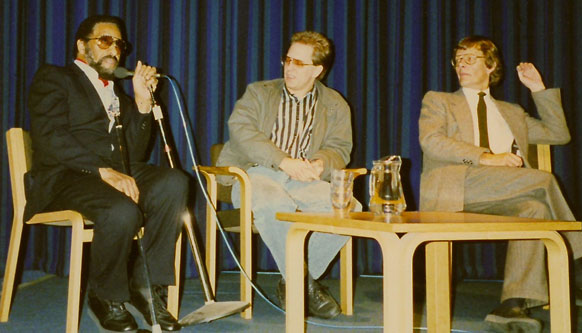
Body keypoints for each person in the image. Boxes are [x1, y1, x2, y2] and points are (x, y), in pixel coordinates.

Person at [419, 35, 582, 333]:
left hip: (504, 191)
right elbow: (432, 142)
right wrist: (485, 156)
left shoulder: (512, 112)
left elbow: (559, 134)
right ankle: (579, 268)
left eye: (470, 59)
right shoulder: (440, 100)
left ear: (490, 66)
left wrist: (538, 90)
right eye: (458, 59)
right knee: (543, 181)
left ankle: (512, 303)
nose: (461, 65)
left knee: (535, 209)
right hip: (457, 186)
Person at [26, 15, 188, 332]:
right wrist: (103, 171)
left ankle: (148, 288)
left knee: (174, 182)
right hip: (66, 176)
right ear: (81, 44)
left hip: (111, 177)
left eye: (119, 44)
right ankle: (105, 296)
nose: (114, 49)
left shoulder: (118, 93)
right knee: (120, 208)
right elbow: (50, 136)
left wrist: (142, 103)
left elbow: (135, 153)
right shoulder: (55, 77)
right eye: (105, 41)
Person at [217, 31, 358, 319]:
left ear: (317, 70)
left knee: (350, 208)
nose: (289, 67)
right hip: (255, 174)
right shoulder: (260, 92)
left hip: (304, 179)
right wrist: (283, 161)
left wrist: (320, 164)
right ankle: (303, 284)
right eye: (287, 59)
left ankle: (293, 281)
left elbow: (340, 148)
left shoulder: (335, 103)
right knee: (273, 202)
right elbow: (242, 131)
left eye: (298, 63)